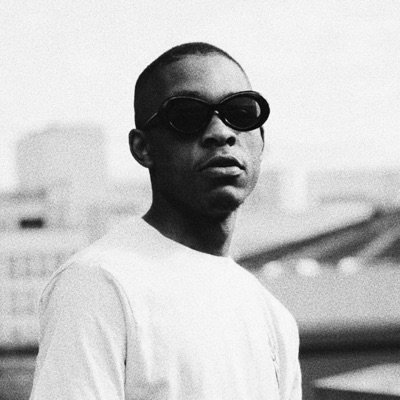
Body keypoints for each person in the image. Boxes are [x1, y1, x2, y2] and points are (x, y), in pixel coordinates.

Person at [30, 42, 302, 399]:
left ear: (261, 140)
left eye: (241, 112)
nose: (221, 132)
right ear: (143, 148)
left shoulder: (272, 317)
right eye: (187, 115)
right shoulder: (99, 284)